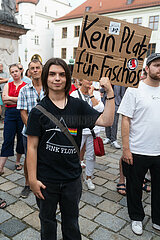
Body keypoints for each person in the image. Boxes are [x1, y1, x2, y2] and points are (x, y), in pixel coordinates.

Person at [26, 57, 115, 240]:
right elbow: (32, 147)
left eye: (61, 74)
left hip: (72, 179)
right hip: (46, 181)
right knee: (47, 223)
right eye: (52, 74)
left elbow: (107, 121)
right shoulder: (38, 111)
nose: (57, 78)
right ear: (45, 78)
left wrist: (110, 92)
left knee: (72, 224)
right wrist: (32, 180)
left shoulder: (78, 106)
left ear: (68, 78)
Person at [117, 53, 160, 235]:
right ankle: (136, 217)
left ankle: (158, 219)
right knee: (134, 187)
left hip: (159, 151)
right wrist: (126, 149)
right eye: (157, 65)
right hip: (137, 149)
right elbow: (125, 119)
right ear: (147, 68)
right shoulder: (134, 90)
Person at [17, 59, 44, 198]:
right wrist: (33, 129)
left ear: (42, 69)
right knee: (29, 160)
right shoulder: (24, 90)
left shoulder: (49, 88)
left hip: (47, 132)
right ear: (28, 71)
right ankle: (28, 184)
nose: (35, 70)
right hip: (28, 133)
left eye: (37, 67)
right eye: (32, 68)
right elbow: (23, 112)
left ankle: (44, 181)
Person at [71, 79, 104, 190]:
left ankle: (89, 178)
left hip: (93, 130)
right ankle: (74, 176)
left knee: (91, 155)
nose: (90, 81)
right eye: (88, 78)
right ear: (80, 80)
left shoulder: (95, 94)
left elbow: (100, 109)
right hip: (79, 130)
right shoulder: (74, 94)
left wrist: (91, 96)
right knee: (74, 153)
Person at [0, 64, 26, 175]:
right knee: (7, 138)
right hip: (10, 114)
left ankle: (17, 161)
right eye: (12, 72)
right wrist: (17, 99)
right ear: (10, 74)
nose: (15, 73)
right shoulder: (8, 85)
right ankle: (0, 166)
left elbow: (24, 100)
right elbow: (4, 100)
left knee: (21, 139)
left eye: (16, 71)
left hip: (22, 113)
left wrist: (10, 98)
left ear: (20, 72)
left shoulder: (25, 85)